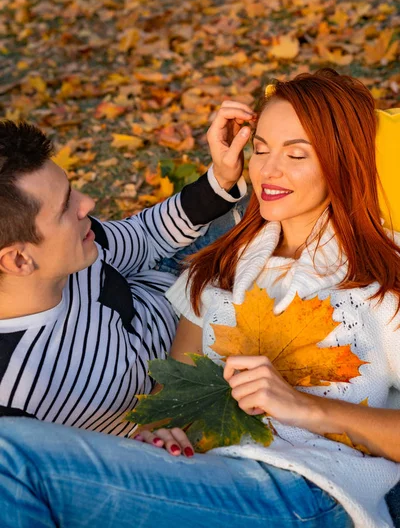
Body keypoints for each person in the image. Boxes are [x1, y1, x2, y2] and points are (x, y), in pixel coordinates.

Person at [0, 69, 399, 528]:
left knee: (7, 456)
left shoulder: (378, 276)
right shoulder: (217, 270)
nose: (267, 170)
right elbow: (172, 403)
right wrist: (164, 436)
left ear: (341, 163)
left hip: (302, 487)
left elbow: (143, 235)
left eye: (296, 154)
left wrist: (310, 408)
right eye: (262, 149)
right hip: (200, 482)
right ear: (17, 260)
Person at [0, 102, 252, 436]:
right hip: (190, 368)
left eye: (71, 191)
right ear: (18, 260)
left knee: (275, 195)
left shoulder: (79, 245)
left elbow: (144, 238)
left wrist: (219, 179)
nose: (87, 204)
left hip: (174, 277)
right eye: (65, 208)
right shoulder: (22, 401)